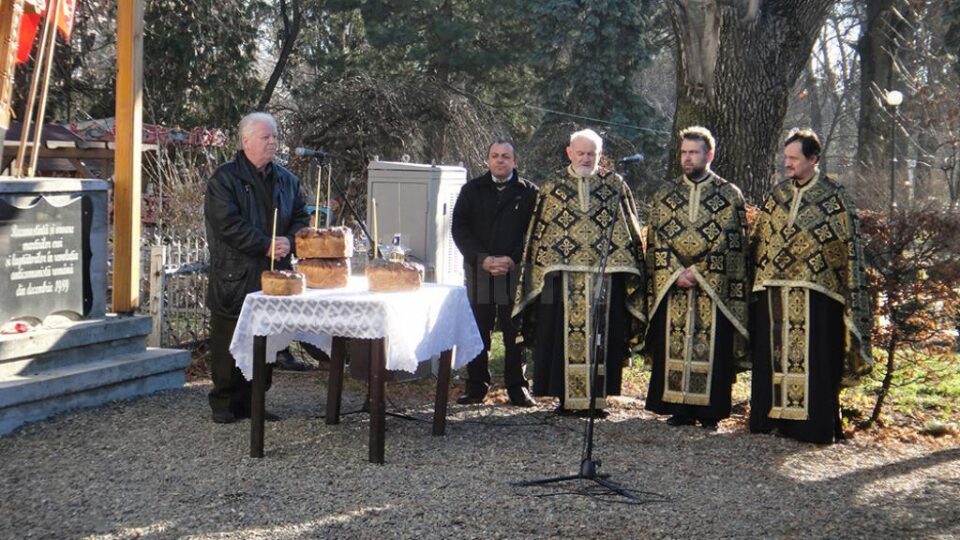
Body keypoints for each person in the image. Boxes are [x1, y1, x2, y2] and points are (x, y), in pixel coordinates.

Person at [749, 128, 873, 443]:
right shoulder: (777, 195)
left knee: (816, 361)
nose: (787, 163)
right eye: (786, 157)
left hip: (818, 297)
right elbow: (762, 243)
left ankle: (811, 427)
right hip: (774, 293)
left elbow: (847, 250)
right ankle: (771, 420)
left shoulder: (835, 197)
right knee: (773, 356)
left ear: (813, 158)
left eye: (794, 158)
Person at [513, 129, 646, 413]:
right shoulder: (553, 187)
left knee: (603, 337)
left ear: (600, 154)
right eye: (581, 153)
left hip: (605, 279)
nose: (586, 158)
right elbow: (539, 235)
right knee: (561, 336)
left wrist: (622, 263)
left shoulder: (615, 184)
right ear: (569, 153)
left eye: (592, 154)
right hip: (562, 280)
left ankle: (597, 399)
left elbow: (629, 231)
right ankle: (565, 398)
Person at [204, 112, 310, 424]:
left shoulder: (287, 181)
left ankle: (255, 401)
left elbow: (302, 217)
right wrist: (264, 244)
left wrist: (290, 240)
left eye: (274, 136)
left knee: (265, 340)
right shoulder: (224, 179)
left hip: (275, 275)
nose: (272, 142)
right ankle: (224, 402)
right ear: (246, 141)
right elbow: (226, 223)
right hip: (235, 274)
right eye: (266, 137)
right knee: (229, 339)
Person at [643, 126, 749, 430]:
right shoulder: (666, 194)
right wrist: (675, 271)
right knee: (674, 343)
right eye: (684, 152)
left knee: (712, 347)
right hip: (673, 284)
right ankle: (679, 408)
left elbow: (734, 243)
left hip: (713, 289)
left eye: (694, 152)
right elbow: (656, 240)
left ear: (709, 155)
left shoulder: (729, 194)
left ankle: (710, 412)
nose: (687, 158)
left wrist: (699, 271)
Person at [452, 140, 539, 406]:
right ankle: (476, 385)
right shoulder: (471, 190)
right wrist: (483, 259)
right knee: (478, 330)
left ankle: (517, 386)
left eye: (505, 156)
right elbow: (459, 229)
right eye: (495, 156)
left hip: (515, 273)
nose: (500, 160)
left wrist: (513, 259)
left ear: (515, 161)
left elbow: (535, 232)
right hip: (480, 272)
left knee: (515, 332)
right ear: (488, 160)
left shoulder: (529, 192)